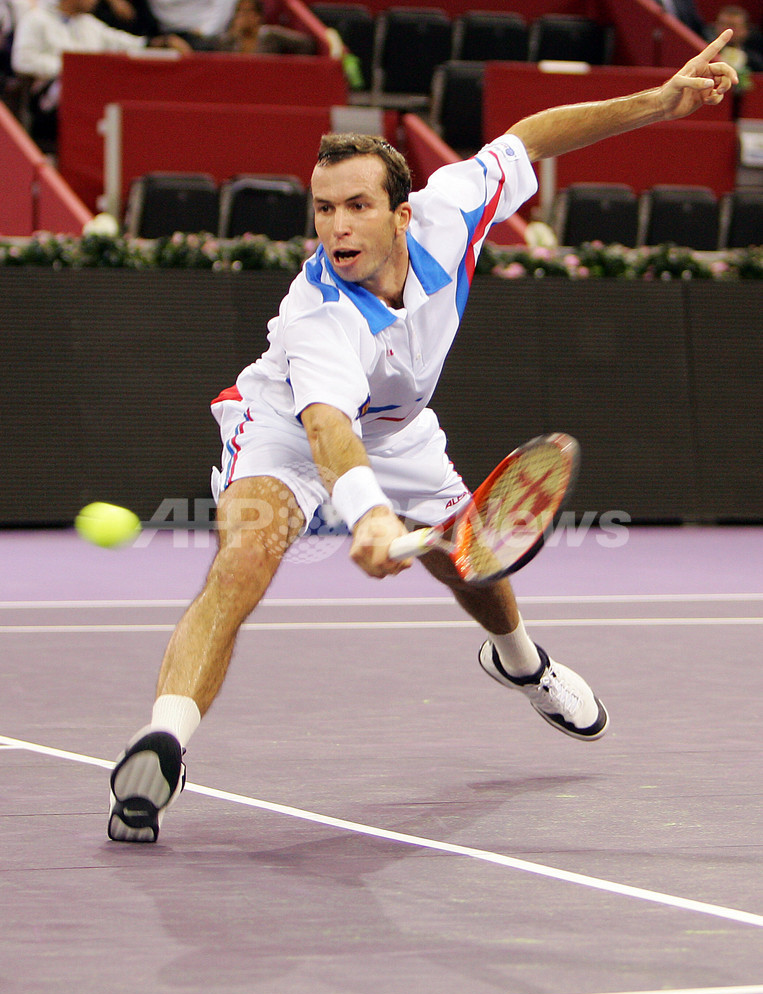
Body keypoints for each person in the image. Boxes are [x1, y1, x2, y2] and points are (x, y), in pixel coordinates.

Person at [107, 30, 738, 844]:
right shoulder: (317, 314)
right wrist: (370, 514)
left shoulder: (448, 212)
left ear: (402, 214)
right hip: (284, 428)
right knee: (244, 559)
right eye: (323, 209)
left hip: (400, 433)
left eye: (356, 206)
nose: (337, 226)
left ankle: (521, 663)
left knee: (470, 558)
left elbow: (530, 139)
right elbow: (327, 428)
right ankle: (162, 743)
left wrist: (658, 102)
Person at [11, 0, 190, 130]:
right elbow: (22, 61)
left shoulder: (89, 25)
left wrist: (159, 43)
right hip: (49, 100)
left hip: (92, 98)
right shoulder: (37, 19)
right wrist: (73, 68)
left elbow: (124, 44)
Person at [712, 4, 763, 73]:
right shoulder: (706, 53)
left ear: (745, 30)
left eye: (732, 25)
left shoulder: (755, 62)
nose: (726, 30)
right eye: (722, 24)